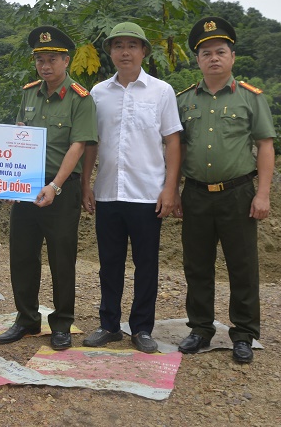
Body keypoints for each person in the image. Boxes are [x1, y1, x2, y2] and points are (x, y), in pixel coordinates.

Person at [176, 16, 275, 364]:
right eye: (206, 53)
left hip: (238, 193)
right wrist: (172, 190)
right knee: (197, 265)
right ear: (197, 60)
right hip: (196, 193)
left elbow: (265, 145)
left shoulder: (250, 98)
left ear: (232, 57)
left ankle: (244, 334)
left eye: (220, 51)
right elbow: (177, 149)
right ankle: (200, 329)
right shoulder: (184, 100)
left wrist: (263, 194)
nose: (213, 58)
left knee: (242, 265)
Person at [79, 22, 182, 354]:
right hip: (108, 192)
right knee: (109, 264)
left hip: (147, 194)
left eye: (132, 46)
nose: (125, 52)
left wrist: (170, 188)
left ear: (143, 52)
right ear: (110, 52)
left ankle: (142, 328)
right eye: (118, 45)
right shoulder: (98, 93)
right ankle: (109, 325)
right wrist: (86, 183)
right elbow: (91, 142)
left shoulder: (161, 91)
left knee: (146, 265)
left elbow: (172, 141)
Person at [0, 25, 98, 351]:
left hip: (61, 189)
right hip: (26, 187)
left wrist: (54, 185)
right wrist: (11, 181)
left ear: (66, 61)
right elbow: (19, 137)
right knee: (22, 255)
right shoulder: (29, 93)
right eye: (40, 59)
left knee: (61, 259)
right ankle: (26, 319)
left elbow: (79, 146)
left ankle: (62, 323)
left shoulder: (81, 99)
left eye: (52, 59)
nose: (45, 65)